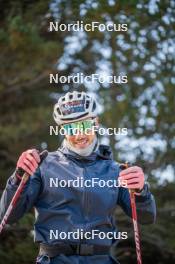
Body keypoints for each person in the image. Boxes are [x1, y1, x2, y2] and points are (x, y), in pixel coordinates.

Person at [0, 91, 156, 264]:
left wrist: (141, 190)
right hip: (55, 259)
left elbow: (147, 217)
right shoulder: (42, 166)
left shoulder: (115, 171)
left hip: (102, 259)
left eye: (84, 125)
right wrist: (18, 176)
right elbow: (8, 215)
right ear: (62, 130)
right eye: (71, 128)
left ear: (96, 123)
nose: (79, 135)